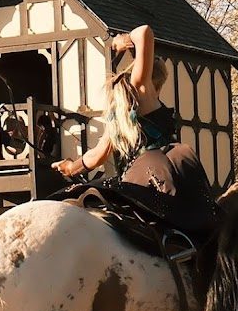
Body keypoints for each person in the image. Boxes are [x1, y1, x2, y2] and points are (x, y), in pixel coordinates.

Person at [52, 24, 210, 228]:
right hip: (161, 171)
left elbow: (97, 155)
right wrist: (123, 40)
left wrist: (70, 168)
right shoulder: (142, 88)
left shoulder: (118, 111)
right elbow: (144, 32)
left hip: (134, 177)